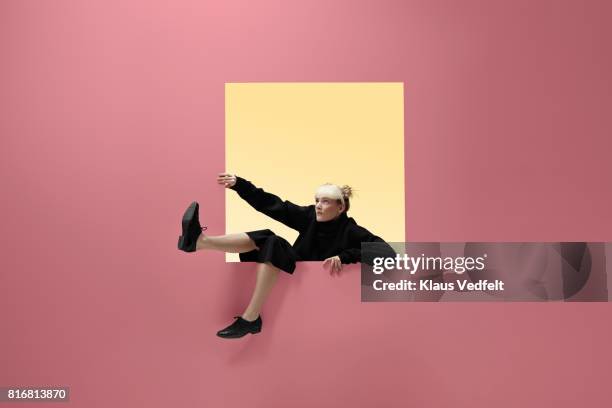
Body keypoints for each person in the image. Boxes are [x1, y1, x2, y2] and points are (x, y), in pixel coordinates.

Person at [177, 173, 393, 339]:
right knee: (268, 237)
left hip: (307, 285)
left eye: (325, 201)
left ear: (341, 207)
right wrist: (240, 184)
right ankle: (200, 242)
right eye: (317, 199)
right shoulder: (309, 216)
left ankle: (251, 317)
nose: (318, 205)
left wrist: (345, 256)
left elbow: (387, 252)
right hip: (288, 270)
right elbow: (273, 206)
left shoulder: (351, 230)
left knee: (272, 242)